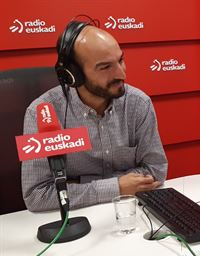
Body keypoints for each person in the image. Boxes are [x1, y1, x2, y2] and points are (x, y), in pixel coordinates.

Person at [21, 17, 167, 212]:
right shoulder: (41, 113)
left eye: (121, 60)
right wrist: (118, 186)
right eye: (105, 67)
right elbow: (37, 195)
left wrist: (77, 185)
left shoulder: (138, 104)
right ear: (73, 74)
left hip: (131, 214)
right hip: (76, 220)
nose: (121, 73)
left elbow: (156, 170)